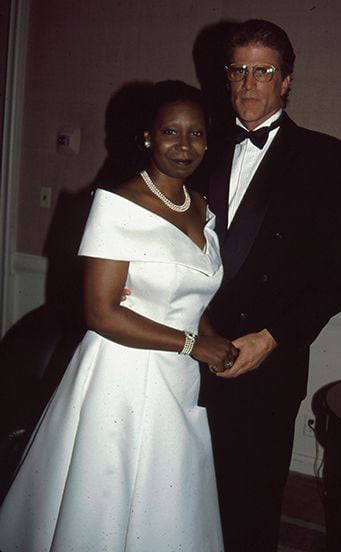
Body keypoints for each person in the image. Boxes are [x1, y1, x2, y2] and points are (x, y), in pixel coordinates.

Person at [0, 80, 238, 552]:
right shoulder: (118, 204)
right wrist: (194, 344)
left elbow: (192, 297)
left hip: (180, 375)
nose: (184, 145)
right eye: (171, 131)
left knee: (167, 498)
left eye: (196, 134)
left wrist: (212, 342)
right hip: (123, 372)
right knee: (108, 499)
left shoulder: (204, 208)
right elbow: (100, 312)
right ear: (148, 137)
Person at [196, 19, 341, 551]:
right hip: (186, 348)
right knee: (185, 488)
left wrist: (272, 337)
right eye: (238, 70)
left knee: (250, 504)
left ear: (286, 80)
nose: (248, 84)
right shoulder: (196, 146)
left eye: (263, 71)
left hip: (267, 358)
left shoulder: (330, 160)